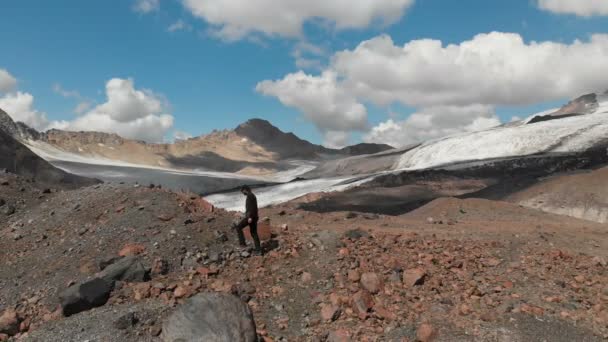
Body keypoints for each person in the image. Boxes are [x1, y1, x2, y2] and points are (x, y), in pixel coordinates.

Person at [232, 185, 262, 255]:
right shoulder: (252, 195)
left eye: (242, 191)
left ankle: (243, 244)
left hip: (251, 217)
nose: (243, 193)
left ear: (245, 190)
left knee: (239, 227)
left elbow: (251, 208)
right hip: (254, 217)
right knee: (254, 233)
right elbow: (254, 208)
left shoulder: (250, 196)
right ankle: (258, 250)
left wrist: (249, 217)